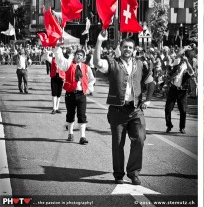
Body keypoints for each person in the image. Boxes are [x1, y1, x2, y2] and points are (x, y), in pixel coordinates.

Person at [93, 31, 155, 186]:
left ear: (134, 50)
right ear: (120, 48)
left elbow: (151, 83)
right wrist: (99, 41)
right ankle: (119, 175)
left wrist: (148, 100)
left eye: (130, 47)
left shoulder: (141, 64)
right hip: (117, 111)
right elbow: (97, 63)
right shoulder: (112, 63)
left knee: (140, 139)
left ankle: (133, 173)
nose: (127, 49)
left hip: (136, 110)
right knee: (118, 144)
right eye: (125, 47)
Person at [55, 43, 95, 145]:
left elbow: (92, 79)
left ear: (83, 58)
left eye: (81, 55)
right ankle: (70, 133)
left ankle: (82, 137)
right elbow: (59, 60)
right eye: (77, 54)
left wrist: (88, 89)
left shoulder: (87, 68)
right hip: (70, 94)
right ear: (74, 55)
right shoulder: (68, 65)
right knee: (70, 114)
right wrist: (57, 48)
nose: (79, 56)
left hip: (81, 95)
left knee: (82, 115)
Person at [164, 48, 195, 134]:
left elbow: (192, 72)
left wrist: (187, 62)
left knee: (183, 110)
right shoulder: (177, 64)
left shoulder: (189, 66)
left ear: (188, 57)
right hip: (173, 89)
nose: (183, 57)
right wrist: (173, 73)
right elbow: (169, 75)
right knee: (167, 109)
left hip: (182, 91)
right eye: (182, 56)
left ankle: (182, 127)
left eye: (185, 56)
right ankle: (169, 125)